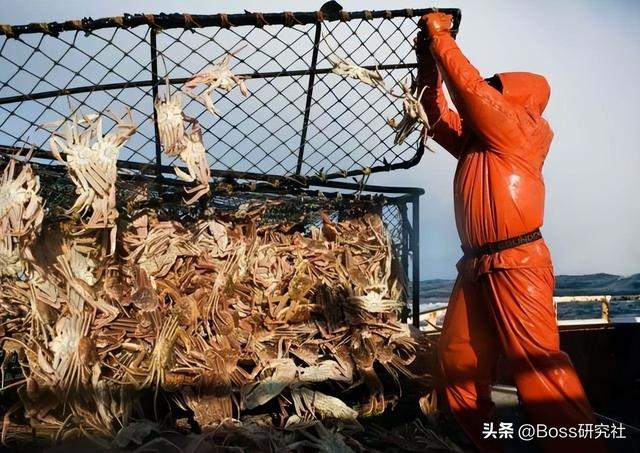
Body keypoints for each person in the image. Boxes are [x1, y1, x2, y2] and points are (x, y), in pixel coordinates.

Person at [414, 12, 606, 453]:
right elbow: (435, 115)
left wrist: (441, 38)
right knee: (457, 362)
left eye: (497, 89)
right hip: (475, 265)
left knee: (538, 368)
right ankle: (485, 446)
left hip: (518, 263)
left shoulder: (521, 130)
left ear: (519, 101)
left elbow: (469, 93)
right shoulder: (478, 140)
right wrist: (427, 61)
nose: (488, 92)